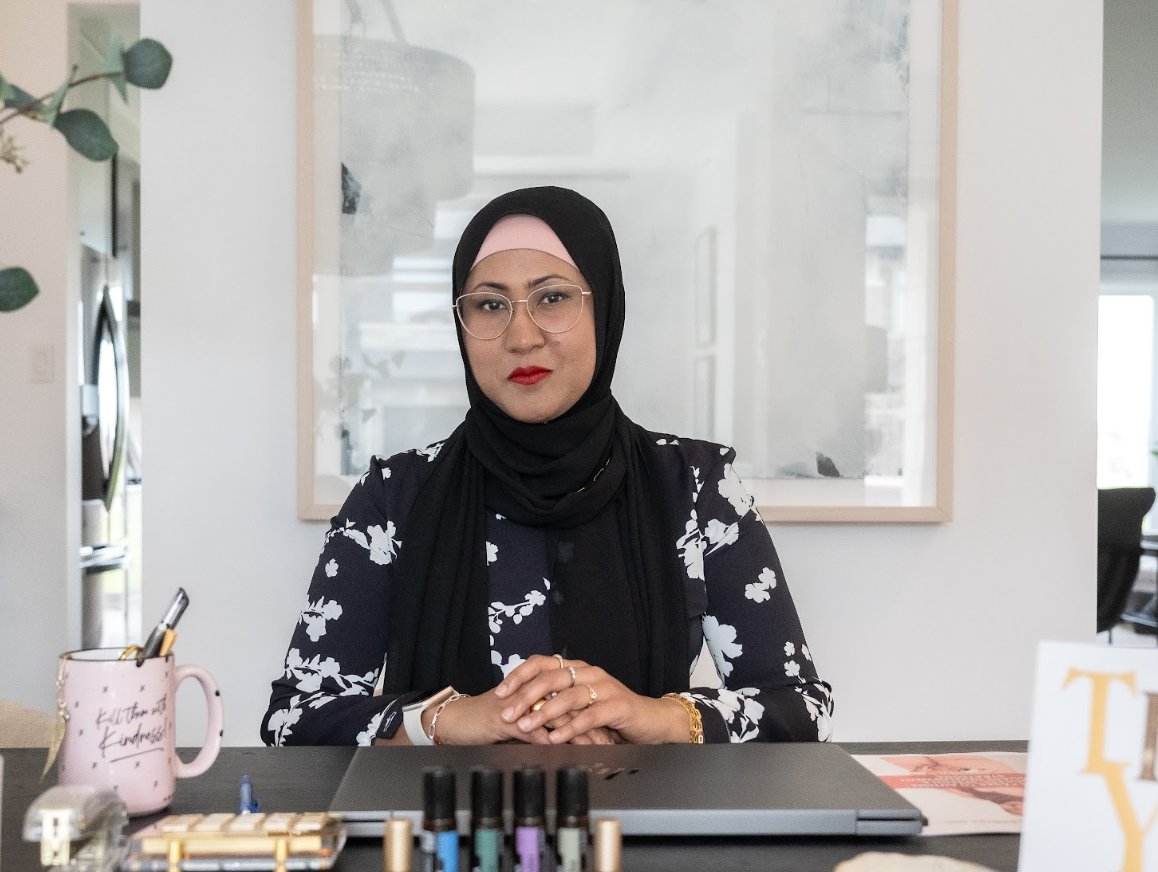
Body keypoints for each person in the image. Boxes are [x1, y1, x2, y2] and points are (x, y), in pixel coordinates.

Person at [261, 186, 833, 746]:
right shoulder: (395, 496)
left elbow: (803, 708)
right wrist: (451, 719)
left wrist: (648, 716)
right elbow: (294, 718)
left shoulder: (695, 486)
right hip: (443, 812)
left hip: (644, 810)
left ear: (604, 308)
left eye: (553, 298)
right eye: (490, 304)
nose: (522, 336)